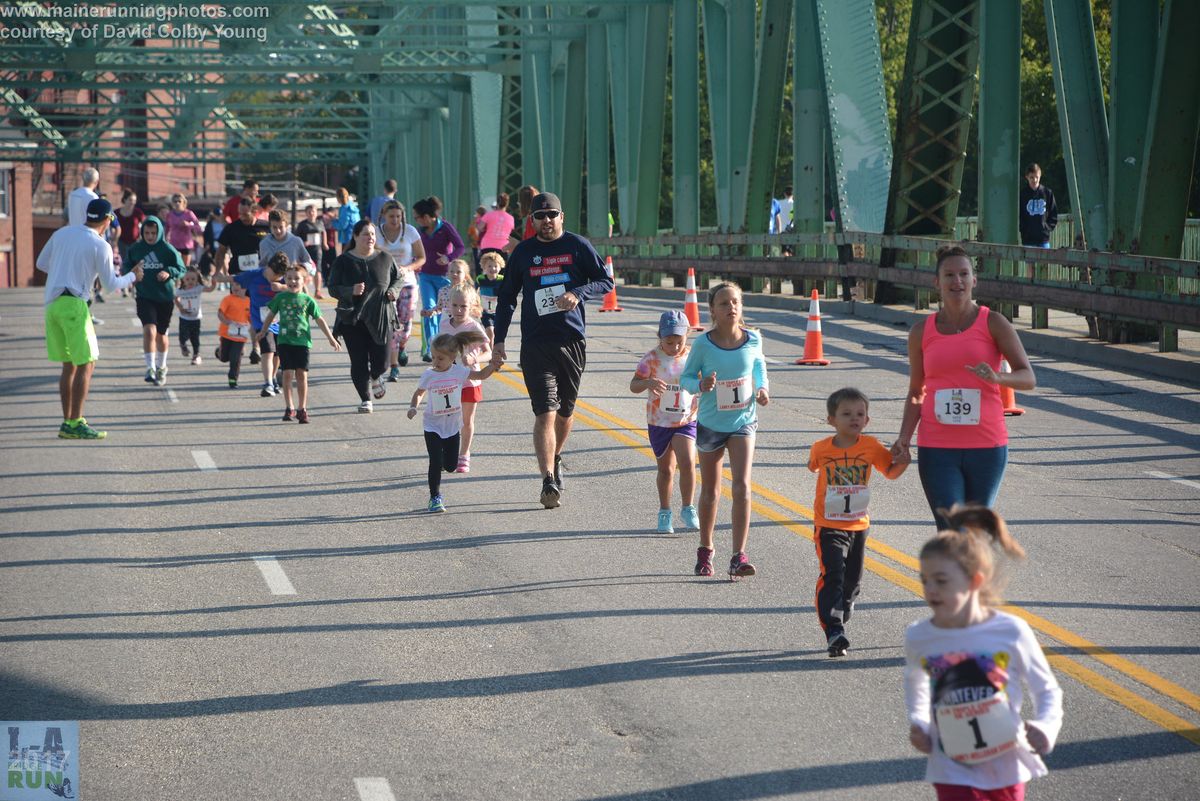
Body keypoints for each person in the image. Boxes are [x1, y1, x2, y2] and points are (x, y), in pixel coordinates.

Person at [905, 505, 1062, 800]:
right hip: (950, 766)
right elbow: (916, 685)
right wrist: (920, 723)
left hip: (1005, 765)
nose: (930, 590)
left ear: (974, 581)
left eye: (941, 581)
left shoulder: (1011, 631)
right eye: (924, 580)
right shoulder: (919, 635)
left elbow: (1048, 691)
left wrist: (1046, 726)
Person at [891, 246, 1036, 530]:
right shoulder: (921, 331)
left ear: (974, 280)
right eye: (949, 275)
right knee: (951, 528)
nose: (957, 281)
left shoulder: (993, 323)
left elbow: (1028, 377)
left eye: (963, 274)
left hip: (986, 446)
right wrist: (904, 439)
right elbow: (916, 391)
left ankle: (972, 575)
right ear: (937, 282)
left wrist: (997, 378)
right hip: (937, 446)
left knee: (973, 531)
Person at [491, 191, 613, 509]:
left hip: (571, 340)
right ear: (531, 221)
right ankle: (547, 479)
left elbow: (605, 281)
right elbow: (506, 298)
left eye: (552, 215)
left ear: (562, 217)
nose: (546, 221)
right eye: (540, 216)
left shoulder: (577, 246)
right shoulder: (523, 253)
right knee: (544, 411)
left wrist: (578, 292)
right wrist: (499, 341)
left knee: (565, 412)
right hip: (535, 343)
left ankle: (555, 458)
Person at [808, 387, 909, 657]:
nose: (854, 418)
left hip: (858, 524)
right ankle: (833, 631)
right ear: (832, 420)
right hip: (828, 524)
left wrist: (904, 461)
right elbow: (813, 466)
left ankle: (847, 603)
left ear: (867, 420)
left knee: (852, 580)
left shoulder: (871, 447)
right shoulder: (821, 448)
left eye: (860, 414)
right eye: (846, 413)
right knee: (833, 575)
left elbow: (890, 472)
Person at [679, 282, 769, 578]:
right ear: (713, 311)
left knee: (742, 486)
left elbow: (758, 368)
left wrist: (763, 389)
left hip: (744, 420)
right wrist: (700, 386)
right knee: (711, 491)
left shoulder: (753, 339)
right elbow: (687, 378)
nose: (731, 307)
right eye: (724, 304)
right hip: (711, 424)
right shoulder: (704, 344)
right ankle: (705, 550)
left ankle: (738, 555)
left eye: (735, 302)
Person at [36, 198, 141, 439]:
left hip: (52, 304)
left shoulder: (62, 233)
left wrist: (65, 269)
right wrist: (133, 276)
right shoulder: (100, 244)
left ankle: (66, 422)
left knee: (68, 365)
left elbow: (41, 264)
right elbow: (111, 284)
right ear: (107, 220)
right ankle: (76, 422)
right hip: (74, 305)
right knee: (87, 362)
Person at [407, 331, 501, 513]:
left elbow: (480, 375)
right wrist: (413, 407)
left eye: (440, 358)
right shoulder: (429, 374)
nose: (435, 362)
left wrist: (493, 366)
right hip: (432, 425)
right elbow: (419, 393)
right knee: (434, 461)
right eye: (434, 357)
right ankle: (435, 497)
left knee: (450, 466)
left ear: (452, 358)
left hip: (451, 427)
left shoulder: (459, 371)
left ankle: (444, 462)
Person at [630, 310, 701, 535]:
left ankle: (688, 507)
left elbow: (703, 381)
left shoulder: (692, 357)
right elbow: (634, 385)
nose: (675, 347)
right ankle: (665, 511)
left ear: (687, 336)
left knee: (688, 462)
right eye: (669, 342)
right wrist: (648, 383)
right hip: (659, 422)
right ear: (660, 337)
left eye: (679, 341)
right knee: (667, 470)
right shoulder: (651, 359)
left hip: (686, 419)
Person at [328, 219, 404, 413]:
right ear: (355, 237)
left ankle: (376, 376)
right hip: (353, 319)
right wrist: (349, 290)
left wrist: (393, 291)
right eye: (365, 234)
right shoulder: (343, 261)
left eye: (372, 234)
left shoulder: (385, 258)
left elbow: (398, 278)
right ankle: (366, 399)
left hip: (381, 317)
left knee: (383, 362)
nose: (370, 238)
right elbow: (332, 288)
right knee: (359, 361)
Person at [257, 265, 341, 423]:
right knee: (287, 374)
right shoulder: (280, 298)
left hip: (302, 343)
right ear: (285, 280)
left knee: (302, 375)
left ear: (304, 281)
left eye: (296, 278)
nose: (292, 281)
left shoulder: (308, 300)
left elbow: (319, 319)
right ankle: (290, 408)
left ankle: (302, 409)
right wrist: (263, 330)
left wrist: (331, 338)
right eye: (288, 278)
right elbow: (270, 315)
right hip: (284, 341)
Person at [125, 215, 186, 386]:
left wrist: (169, 272)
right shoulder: (136, 249)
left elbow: (181, 268)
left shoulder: (167, 249)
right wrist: (131, 275)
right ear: (142, 232)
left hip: (165, 297)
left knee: (161, 335)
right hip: (144, 295)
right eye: (147, 232)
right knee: (149, 330)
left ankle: (162, 366)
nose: (150, 236)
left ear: (159, 232)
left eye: (153, 232)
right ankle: (150, 368)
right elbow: (126, 265)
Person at [440, 285, 491, 472]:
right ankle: (448, 453)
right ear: (449, 305)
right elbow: (439, 349)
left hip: (469, 380)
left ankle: (464, 454)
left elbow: (489, 352)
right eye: (455, 305)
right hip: (447, 381)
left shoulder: (474, 327)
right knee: (447, 419)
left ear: (472, 306)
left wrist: (474, 358)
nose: (459, 310)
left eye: (464, 306)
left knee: (466, 421)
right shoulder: (444, 324)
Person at [376, 200, 425, 378]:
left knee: (406, 326)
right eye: (391, 216)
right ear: (383, 216)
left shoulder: (410, 231)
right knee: (391, 325)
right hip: (385, 284)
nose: (395, 220)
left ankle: (402, 346)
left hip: (407, 282)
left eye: (398, 216)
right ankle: (394, 365)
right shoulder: (377, 232)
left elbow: (421, 257)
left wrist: (408, 268)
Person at [413, 195, 466, 361]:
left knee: (445, 311)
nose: (416, 221)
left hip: (444, 277)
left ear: (427, 216)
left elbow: (460, 247)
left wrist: (448, 258)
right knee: (429, 309)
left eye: (417, 217)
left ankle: (448, 345)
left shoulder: (445, 227)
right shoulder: (419, 232)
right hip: (426, 276)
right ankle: (429, 348)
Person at [215, 197, 269, 277]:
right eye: (239, 213)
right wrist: (217, 271)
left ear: (254, 212)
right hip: (238, 274)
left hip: (260, 274)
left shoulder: (266, 227)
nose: (241, 217)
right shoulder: (231, 228)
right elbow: (221, 251)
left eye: (245, 214)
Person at [174, 267, 217, 365]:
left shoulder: (198, 288)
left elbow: (210, 289)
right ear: (183, 279)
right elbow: (176, 298)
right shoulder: (180, 291)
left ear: (197, 279)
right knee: (183, 335)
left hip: (196, 318)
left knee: (195, 338)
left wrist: (214, 283)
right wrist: (180, 307)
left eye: (193, 279)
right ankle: (183, 345)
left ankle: (196, 355)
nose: (190, 282)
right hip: (184, 317)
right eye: (187, 279)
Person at [215, 279, 252, 388]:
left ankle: (233, 379)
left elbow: (251, 318)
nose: (236, 287)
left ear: (246, 288)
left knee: (235, 358)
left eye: (239, 285)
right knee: (224, 358)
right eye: (234, 284)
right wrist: (227, 322)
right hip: (227, 333)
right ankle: (219, 351)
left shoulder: (249, 301)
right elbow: (220, 313)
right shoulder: (228, 299)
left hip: (241, 336)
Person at [259, 209, 315, 276]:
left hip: (292, 283)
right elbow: (262, 266)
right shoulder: (264, 243)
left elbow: (309, 263)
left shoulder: (296, 241)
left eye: (281, 227)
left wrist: (301, 269)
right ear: (270, 227)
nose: (278, 231)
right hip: (272, 284)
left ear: (286, 226)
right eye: (274, 227)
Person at [1019, 164, 1057, 248]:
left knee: (1045, 261)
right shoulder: (1022, 195)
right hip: (1028, 239)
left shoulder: (1047, 193)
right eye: (1031, 177)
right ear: (1027, 177)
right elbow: (1018, 214)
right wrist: (1024, 229)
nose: (1034, 180)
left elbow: (1053, 213)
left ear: (1040, 176)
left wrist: (1046, 228)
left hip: (1043, 238)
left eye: (1037, 177)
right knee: (1029, 261)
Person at [294, 204, 328, 298]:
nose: (312, 213)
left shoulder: (319, 223)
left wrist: (325, 243)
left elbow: (323, 232)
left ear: (316, 212)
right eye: (309, 212)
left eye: (313, 211)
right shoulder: (302, 225)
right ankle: (303, 291)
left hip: (317, 250)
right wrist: (303, 243)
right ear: (306, 213)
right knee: (304, 270)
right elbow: (296, 238)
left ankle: (317, 291)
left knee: (318, 270)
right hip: (305, 251)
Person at [164, 193, 204, 267]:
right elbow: (167, 228)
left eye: (179, 201)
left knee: (185, 266)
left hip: (186, 244)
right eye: (175, 201)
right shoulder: (169, 215)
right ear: (172, 203)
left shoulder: (189, 213)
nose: (177, 203)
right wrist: (165, 240)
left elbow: (198, 227)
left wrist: (188, 224)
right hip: (174, 243)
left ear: (183, 202)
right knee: (174, 265)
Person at [432, 258, 472, 330]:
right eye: (452, 271)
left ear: (465, 276)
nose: (454, 274)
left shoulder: (468, 292)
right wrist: (431, 312)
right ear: (447, 273)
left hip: (462, 324)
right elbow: (439, 307)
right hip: (445, 324)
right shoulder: (443, 290)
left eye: (458, 272)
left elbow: (473, 307)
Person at [477, 193, 516, 262]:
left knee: (486, 269)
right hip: (503, 247)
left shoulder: (489, 215)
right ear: (507, 204)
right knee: (501, 270)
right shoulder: (511, 218)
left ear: (497, 203)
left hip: (487, 245)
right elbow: (511, 231)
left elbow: (480, 227)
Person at [476, 251, 504, 344]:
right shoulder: (480, 279)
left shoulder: (502, 280)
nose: (493, 268)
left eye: (495, 266)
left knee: (497, 334)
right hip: (486, 312)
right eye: (489, 266)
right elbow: (474, 292)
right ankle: (491, 355)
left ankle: (494, 352)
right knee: (490, 331)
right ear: (484, 267)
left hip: (499, 311)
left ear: (500, 267)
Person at [114, 189, 144, 276]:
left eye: (134, 200)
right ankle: (125, 286)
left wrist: (142, 238)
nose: (133, 202)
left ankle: (135, 283)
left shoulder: (138, 212)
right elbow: (113, 228)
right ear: (125, 200)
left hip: (135, 242)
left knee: (135, 263)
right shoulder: (116, 213)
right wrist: (114, 241)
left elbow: (145, 224)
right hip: (121, 242)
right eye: (130, 200)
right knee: (124, 263)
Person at [198, 207, 223, 279]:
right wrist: (206, 245)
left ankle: (225, 274)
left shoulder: (224, 223)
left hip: (223, 243)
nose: (219, 217)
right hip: (214, 244)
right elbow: (206, 235)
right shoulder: (210, 224)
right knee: (216, 260)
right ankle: (219, 275)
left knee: (224, 260)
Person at [333, 187, 360, 255]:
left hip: (347, 239)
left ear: (338, 198)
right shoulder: (352, 206)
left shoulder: (344, 209)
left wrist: (332, 222)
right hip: (356, 237)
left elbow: (342, 226)